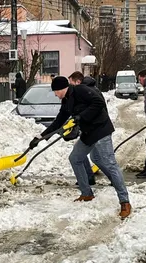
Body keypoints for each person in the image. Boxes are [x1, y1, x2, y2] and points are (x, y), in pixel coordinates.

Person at [29, 76, 131, 219]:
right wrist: (39, 138)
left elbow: (99, 102)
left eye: (55, 91)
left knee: (109, 163)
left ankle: (125, 202)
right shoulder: (66, 102)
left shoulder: (80, 90)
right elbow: (58, 122)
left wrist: (81, 117)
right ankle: (87, 193)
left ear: (62, 88)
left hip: (100, 129)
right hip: (88, 133)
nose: (55, 94)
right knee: (75, 158)